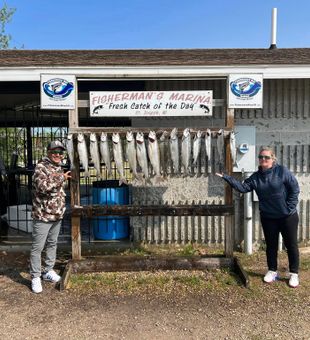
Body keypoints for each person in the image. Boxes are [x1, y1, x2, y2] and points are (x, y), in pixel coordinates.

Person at [216, 146, 300, 288]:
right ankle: (272, 271)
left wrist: (289, 207)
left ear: (273, 159)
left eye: (266, 157)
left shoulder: (282, 171)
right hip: (268, 217)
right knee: (271, 245)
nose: (263, 160)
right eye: (260, 157)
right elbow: (243, 188)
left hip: (288, 217)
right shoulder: (256, 177)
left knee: (291, 245)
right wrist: (227, 177)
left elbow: (294, 189)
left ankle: (294, 274)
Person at [30, 140, 71, 293]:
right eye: (54, 151)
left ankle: (48, 271)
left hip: (57, 214)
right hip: (43, 215)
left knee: (52, 244)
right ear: (48, 152)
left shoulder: (58, 167)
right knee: (37, 247)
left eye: (60, 152)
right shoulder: (41, 167)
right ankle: (35, 276)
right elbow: (43, 187)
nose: (57, 155)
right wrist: (62, 178)